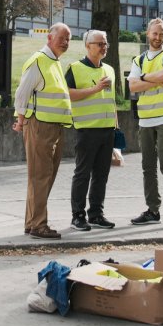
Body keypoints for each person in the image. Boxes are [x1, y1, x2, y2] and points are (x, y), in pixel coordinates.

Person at [13, 23, 72, 239]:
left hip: (52, 127)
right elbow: (22, 94)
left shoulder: (54, 62)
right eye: (62, 38)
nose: (65, 42)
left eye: (68, 39)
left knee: (43, 176)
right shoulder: (39, 60)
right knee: (40, 176)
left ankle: (32, 222)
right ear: (49, 38)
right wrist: (20, 121)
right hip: (40, 126)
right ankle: (38, 225)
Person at [128, 19, 163, 228]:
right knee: (147, 165)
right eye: (155, 33)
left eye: (162, 34)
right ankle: (153, 210)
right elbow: (132, 87)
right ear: (147, 34)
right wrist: (158, 81)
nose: (158, 37)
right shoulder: (138, 59)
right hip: (146, 119)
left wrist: (144, 78)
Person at [66, 29, 117, 231]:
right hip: (87, 131)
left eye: (105, 43)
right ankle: (77, 215)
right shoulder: (75, 68)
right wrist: (95, 89)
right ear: (88, 46)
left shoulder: (110, 70)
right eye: (100, 44)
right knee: (82, 173)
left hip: (107, 130)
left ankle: (96, 213)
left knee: (101, 175)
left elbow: (111, 101)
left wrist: (116, 126)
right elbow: (68, 94)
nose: (104, 47)